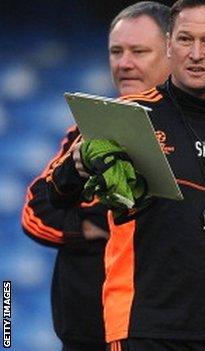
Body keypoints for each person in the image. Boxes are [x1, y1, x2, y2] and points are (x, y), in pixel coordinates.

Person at [45, 0, 205, 350]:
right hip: (143, 329)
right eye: (185, 39)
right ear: (169, 46)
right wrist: (75, 167)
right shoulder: (126, 117)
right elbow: (52, 196)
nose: (195, 53)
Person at [20, 2, 171, 351]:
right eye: (116, 51)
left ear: (171, 54)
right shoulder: (87, 130)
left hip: (156, 332)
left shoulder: (192, 135)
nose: (124, 63)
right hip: (83, 336)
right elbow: (35, 212)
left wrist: (116, 227)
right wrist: (85, 228)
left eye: (139, 51)